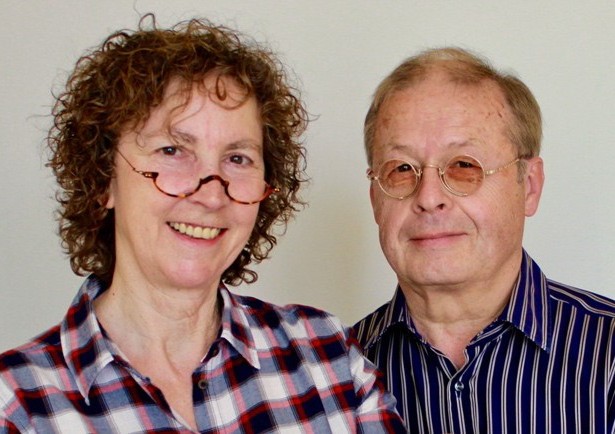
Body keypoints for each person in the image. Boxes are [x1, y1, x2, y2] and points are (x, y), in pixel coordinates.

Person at [0, 16, 405, 433]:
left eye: (238, 158)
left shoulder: (328, 358)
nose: (211, 195)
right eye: (172, 150)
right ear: (104, 178)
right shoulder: (17, 405)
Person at [354, 46, 615, 433]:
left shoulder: (609, 353)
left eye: (463, 166)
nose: (428, 197)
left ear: (529, 186)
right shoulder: (328, 372)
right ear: (376, 198)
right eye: (402, 169)